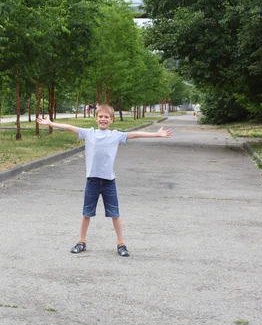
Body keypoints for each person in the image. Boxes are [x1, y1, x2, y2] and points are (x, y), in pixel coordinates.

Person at [36, 104, 172, 257]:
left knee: (114, 213)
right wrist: (50, 123)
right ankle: (81, 241)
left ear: (111, 120)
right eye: (100, 116)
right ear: (96, 118)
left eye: (106, 117)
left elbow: (135, 134)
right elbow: (69, 127)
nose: (103, 119)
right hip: (92, 181)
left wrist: (156, 134)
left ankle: (121, 243)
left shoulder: (115, 135)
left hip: (108, 182)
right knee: (86, 213)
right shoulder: (89, 133)